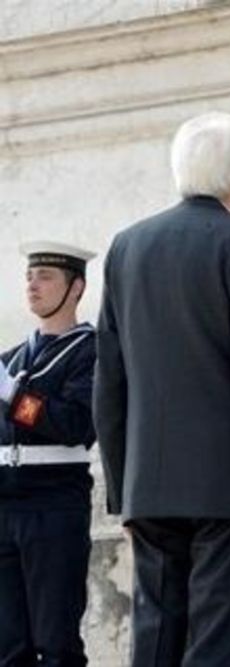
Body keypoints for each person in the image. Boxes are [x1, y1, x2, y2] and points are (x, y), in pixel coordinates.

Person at [94, 112, 230, 667]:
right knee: (222, 649)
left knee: (155, 647)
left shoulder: (127, 247)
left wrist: (124, 495)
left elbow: (109, 381)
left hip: (149, 489)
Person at [0, 242, 96, 666]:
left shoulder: (92, 351)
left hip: (54, 504)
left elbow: (75, 424)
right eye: (29, 276)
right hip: (5, 504)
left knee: (56, 643)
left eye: (45, 276)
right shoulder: (12, 358)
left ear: (76, 288)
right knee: (8, 647)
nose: (32, 285)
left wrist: (11, 395)